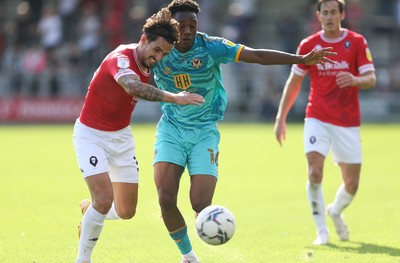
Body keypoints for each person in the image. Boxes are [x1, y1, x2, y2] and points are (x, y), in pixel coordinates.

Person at [151, 1, 336, 262]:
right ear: (172, 25)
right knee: (165, 198)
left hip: (204, 130)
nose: (188, 30)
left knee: (200, 204)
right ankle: (189, 256)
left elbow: (257, 55)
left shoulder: (211, 46)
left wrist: (301, 59)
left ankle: (205, 226)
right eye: (182, 25)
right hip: (171, 129)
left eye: (193, 25)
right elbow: (133, 62)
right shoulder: (159, 48)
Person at [72, 8, 204, 263]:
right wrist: (175, 98)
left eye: (164, 53)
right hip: (91, 135)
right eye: (156, 50)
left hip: (121, 139)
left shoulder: (152, 59)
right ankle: (83, 258)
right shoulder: (121, 58)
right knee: (104, 198)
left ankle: (90, 211)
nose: (159, 57)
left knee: (125, 211)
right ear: (143, 40)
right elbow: (133, 86)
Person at [274, 0, 376, 245]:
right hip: (317, 117)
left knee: (352, 184)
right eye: (325, 13)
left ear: (342, 14)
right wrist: (281, 117)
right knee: (315, 172)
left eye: (334, 12)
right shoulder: (309, 45)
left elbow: (371, 78)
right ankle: (322, 232)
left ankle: (335, 211)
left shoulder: (357, 42)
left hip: (347, 121)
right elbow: (294, 82)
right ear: (318, 16)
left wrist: (354, 79)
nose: (329, 17)